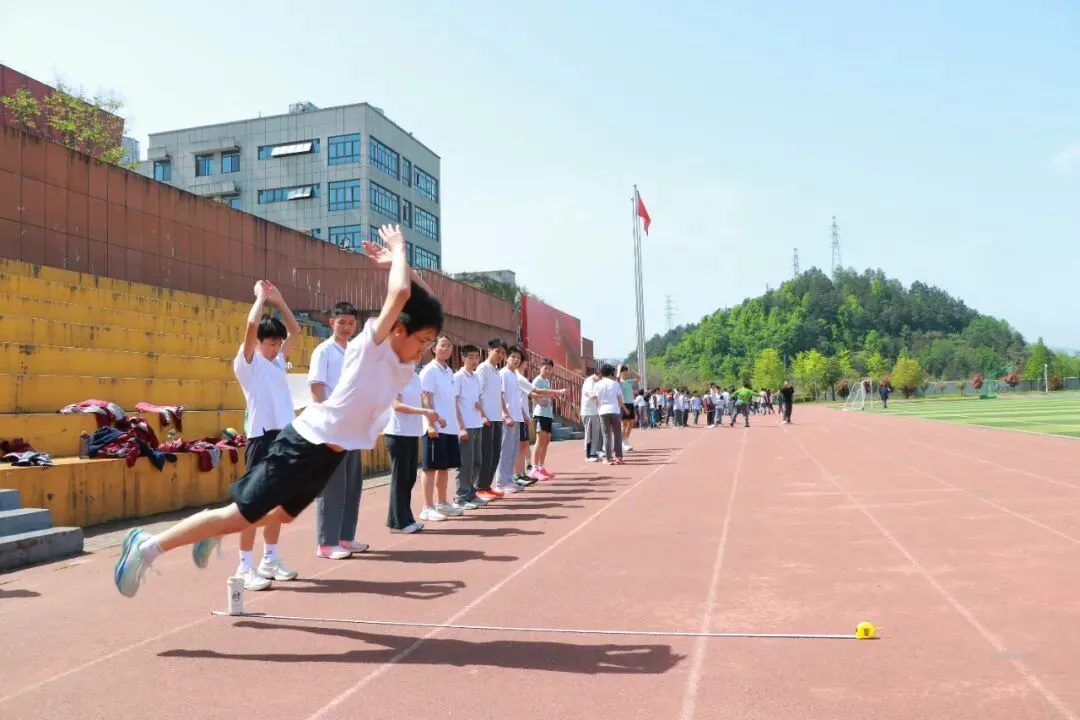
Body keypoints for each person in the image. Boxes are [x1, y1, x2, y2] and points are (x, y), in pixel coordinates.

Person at [113, 224, 443, 598]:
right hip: (305, 443)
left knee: (283, 515)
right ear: (398, 330)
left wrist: (402, 267)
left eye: (430, 343)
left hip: (331, 452)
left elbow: (429, 302)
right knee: (239, 515)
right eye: (422, 341)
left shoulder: (403, 361)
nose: (424, 350)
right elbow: (401, 294)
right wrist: (397, 249)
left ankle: (216, 527)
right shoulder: (372, 346)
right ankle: (145, 547)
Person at [230, 281, 301, 591]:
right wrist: (260, 298)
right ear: (259, 343)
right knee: (253, 503)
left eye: (278, 343)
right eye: (271, 343)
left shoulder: (278, 362)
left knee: (278, 503)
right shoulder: (248, 364)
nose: (276, 348)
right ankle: (244, 565)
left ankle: (269, 559)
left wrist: (280, 300)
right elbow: (251, 325)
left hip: (284, 437)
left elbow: (296, 331)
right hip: (261, 439)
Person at [309, 301, 369, 561]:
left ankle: (345, 537)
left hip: (352, 426)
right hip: (333, 426)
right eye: (341, 322)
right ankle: (326, 542)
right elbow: (316, 387)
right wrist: (325, 422)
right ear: (331, 322)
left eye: (351, 323)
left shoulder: (355, 351)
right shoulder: (323, 351)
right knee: (332, 485)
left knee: (352, 484)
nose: (346, 327)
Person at [418, 336, 466, 522]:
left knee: (444, 467)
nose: (446, 349)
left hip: (449, 428)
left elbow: (452, 401)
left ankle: (442, 503)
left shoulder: (449, 372)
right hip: (435, 427)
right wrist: (431, 424)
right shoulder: (430, 370)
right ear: (434, 348)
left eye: (449, 346)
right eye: (442, 345)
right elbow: (425, 397)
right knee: (430, 468)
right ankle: (427, 507)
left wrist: (459, 426)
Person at [384, 369, 433, 533]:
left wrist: (433, 414)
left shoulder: (416, 378)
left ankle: (406, 519)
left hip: (412, 433)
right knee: (400, 478)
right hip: (397, 433)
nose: (415, 359)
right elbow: (397, 405)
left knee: (409, 478)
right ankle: (398, 523)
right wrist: (424, 412)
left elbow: (422, 400)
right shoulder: (395, 376)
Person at [452, 344, 489, 509]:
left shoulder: (475, 377)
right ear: (463, 358)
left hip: (477, 424)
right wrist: (461, 427)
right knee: (465, 463)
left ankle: (471, 493)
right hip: (465, 426)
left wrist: (482, 414)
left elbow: (478, 400)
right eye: (471, 357)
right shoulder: (458, 377)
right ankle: (461, 496)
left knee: (477, 461)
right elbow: (454, 402)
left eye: (477, 357)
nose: (474, 360)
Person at [475, 339, 509, 501]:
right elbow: (477, 393)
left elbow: (499, 396)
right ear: (489, 351)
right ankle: (480, 487)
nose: (500, 355)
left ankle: (487, 486)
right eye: (497, 351)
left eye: (503, 353)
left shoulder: (497, 371)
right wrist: (482, 415)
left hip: (497, 418)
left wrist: (504, 414)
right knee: (486, 454)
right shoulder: (483, 369)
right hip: (486, 418)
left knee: (495, 453)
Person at [528, 358, 556, 480]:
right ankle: (534, 468)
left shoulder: (547, 381)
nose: (547, 371)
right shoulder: (537, 380)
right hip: (540, 414)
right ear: (540, 368)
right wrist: (540, 399)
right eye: (545, 368)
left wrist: (551, 396)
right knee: (540, 440)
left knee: (546, 440)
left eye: (550, 369)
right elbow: (532, 393)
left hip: (548, 414)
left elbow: (546, 394)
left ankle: (541, 467)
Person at [593, 364, 627, 464]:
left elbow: (595, 399)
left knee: (606, 435)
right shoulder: (615, 384)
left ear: (601, 373)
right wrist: (619, 408)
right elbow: (619, 399)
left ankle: (608, 458)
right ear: (611, 373)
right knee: (617, 434)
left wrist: (599, 407)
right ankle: (618, 457)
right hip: (614, 410)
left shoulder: (597, 384)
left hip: (603, 411)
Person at [581, 367, 603, 462]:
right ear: (598, 375)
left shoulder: (596, 382)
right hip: (588, 412)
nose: (601, 379)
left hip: (595, 412)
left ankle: (593, 452)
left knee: (595, 433)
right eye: (601, 377)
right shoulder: (589, 382)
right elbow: (593, 396)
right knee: (589, 434)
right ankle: (588, 454)